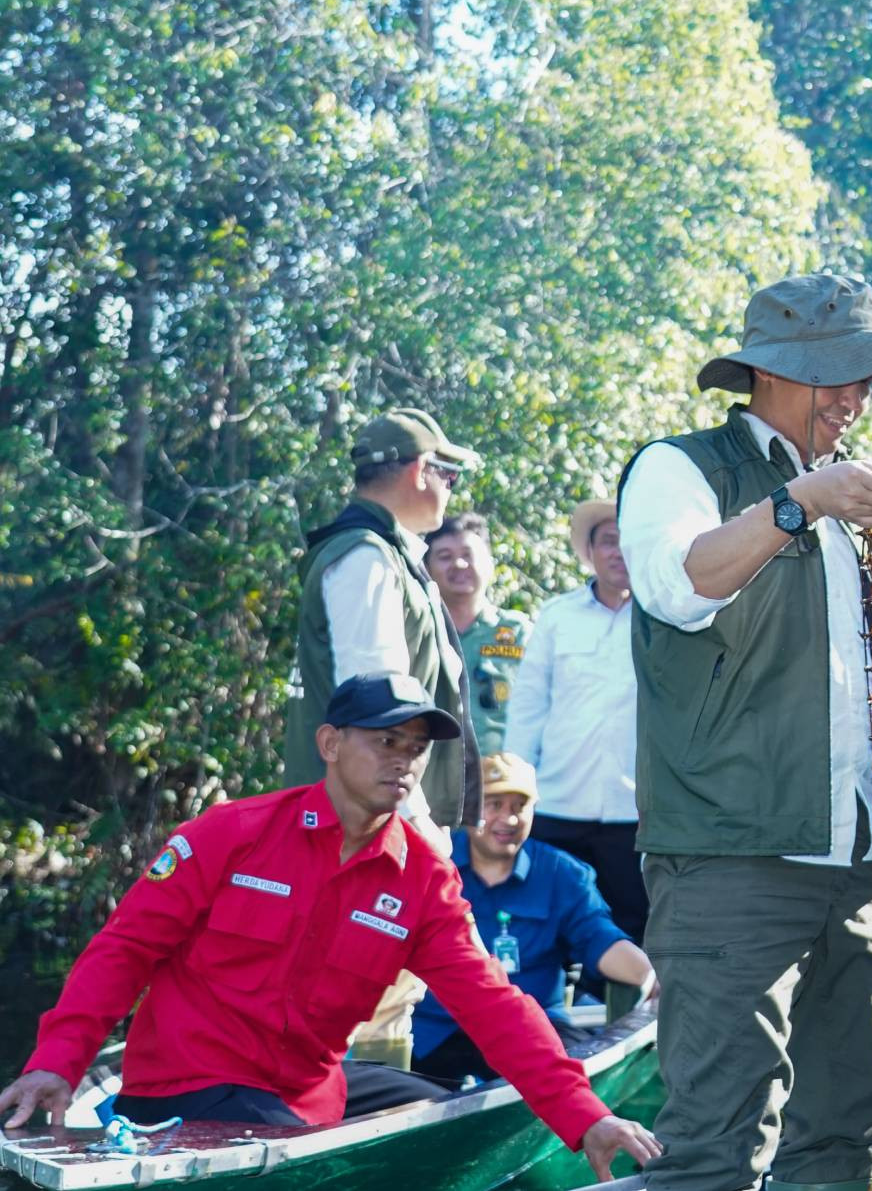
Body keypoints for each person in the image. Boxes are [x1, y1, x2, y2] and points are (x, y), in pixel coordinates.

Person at [0, 673, 658, 1181]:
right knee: (317, 1157)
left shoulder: (422, 876)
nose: (402, 760)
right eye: (385, 741)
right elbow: (124, 950)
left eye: (416, 748)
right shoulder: (231, 834)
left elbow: (493, 1003)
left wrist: (585, 1114)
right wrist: (56, 1063)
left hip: (309, 1090)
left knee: (454, 1105)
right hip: (188, 1082)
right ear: (331, 743)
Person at [616, 272, 872, 1191]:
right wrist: (801, 501)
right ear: (772, 373)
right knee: (715, 1146)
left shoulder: (858, 509)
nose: (858, 393)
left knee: (842, 1138)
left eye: (869, 373)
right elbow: (680, 582)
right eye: (841, 370)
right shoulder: (683, 468)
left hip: (861, 872)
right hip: (728, 864)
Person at [284, 407, 482, 829]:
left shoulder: (379, 554)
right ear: (422, 470)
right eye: (450, 476)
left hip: (367, 813)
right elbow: (378, 699)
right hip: (366, 819)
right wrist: (415, 819)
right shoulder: (367, 557)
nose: (450, 489)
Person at [411, 753, 655, 1083]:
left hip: (537, 1027)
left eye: (519, 807)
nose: (508, 819)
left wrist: (652, 976)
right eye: (494, 804)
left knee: (577, 1082)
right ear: (468, 809)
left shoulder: (562, 873)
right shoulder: (432, 863)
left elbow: (599, 938)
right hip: (440, 1031)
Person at [503, 500, 643, 945]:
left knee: (630, 933)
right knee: (547, 931)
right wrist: (515, 785)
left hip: (634, 812)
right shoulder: (558, 616)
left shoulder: (662, 618)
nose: (619, 552)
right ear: (591, 551)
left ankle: (625, 1018)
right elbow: (528, 705)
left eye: (629, 541)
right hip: (557, 803)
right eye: (608, 541)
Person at [426, 513, 533, 760]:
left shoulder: (519, 632)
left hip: (503, 782)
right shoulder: (416, 630)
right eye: (445, 557)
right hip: (430, 778)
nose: (459, 565)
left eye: (468, 555)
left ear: (489, 563)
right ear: (427, 568)